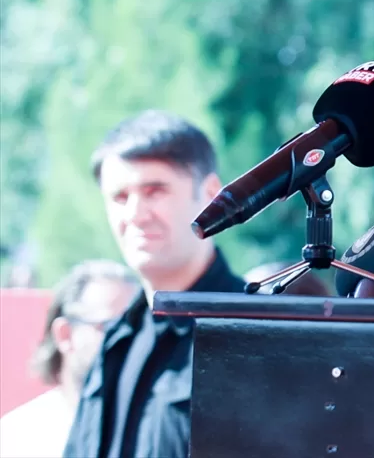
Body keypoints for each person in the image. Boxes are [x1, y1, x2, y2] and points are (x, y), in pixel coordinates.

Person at [62, 110, 244, 458]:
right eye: (120, 197)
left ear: (210, 193)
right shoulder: (117, 340)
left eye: (155, 191)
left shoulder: (251, 338)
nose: (135, 214)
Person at [0, 260, 137, 458]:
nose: (128, 339)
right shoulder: (18, 438)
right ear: (65, 335)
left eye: (139, 328)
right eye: (111, 327)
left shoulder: (159, 427)